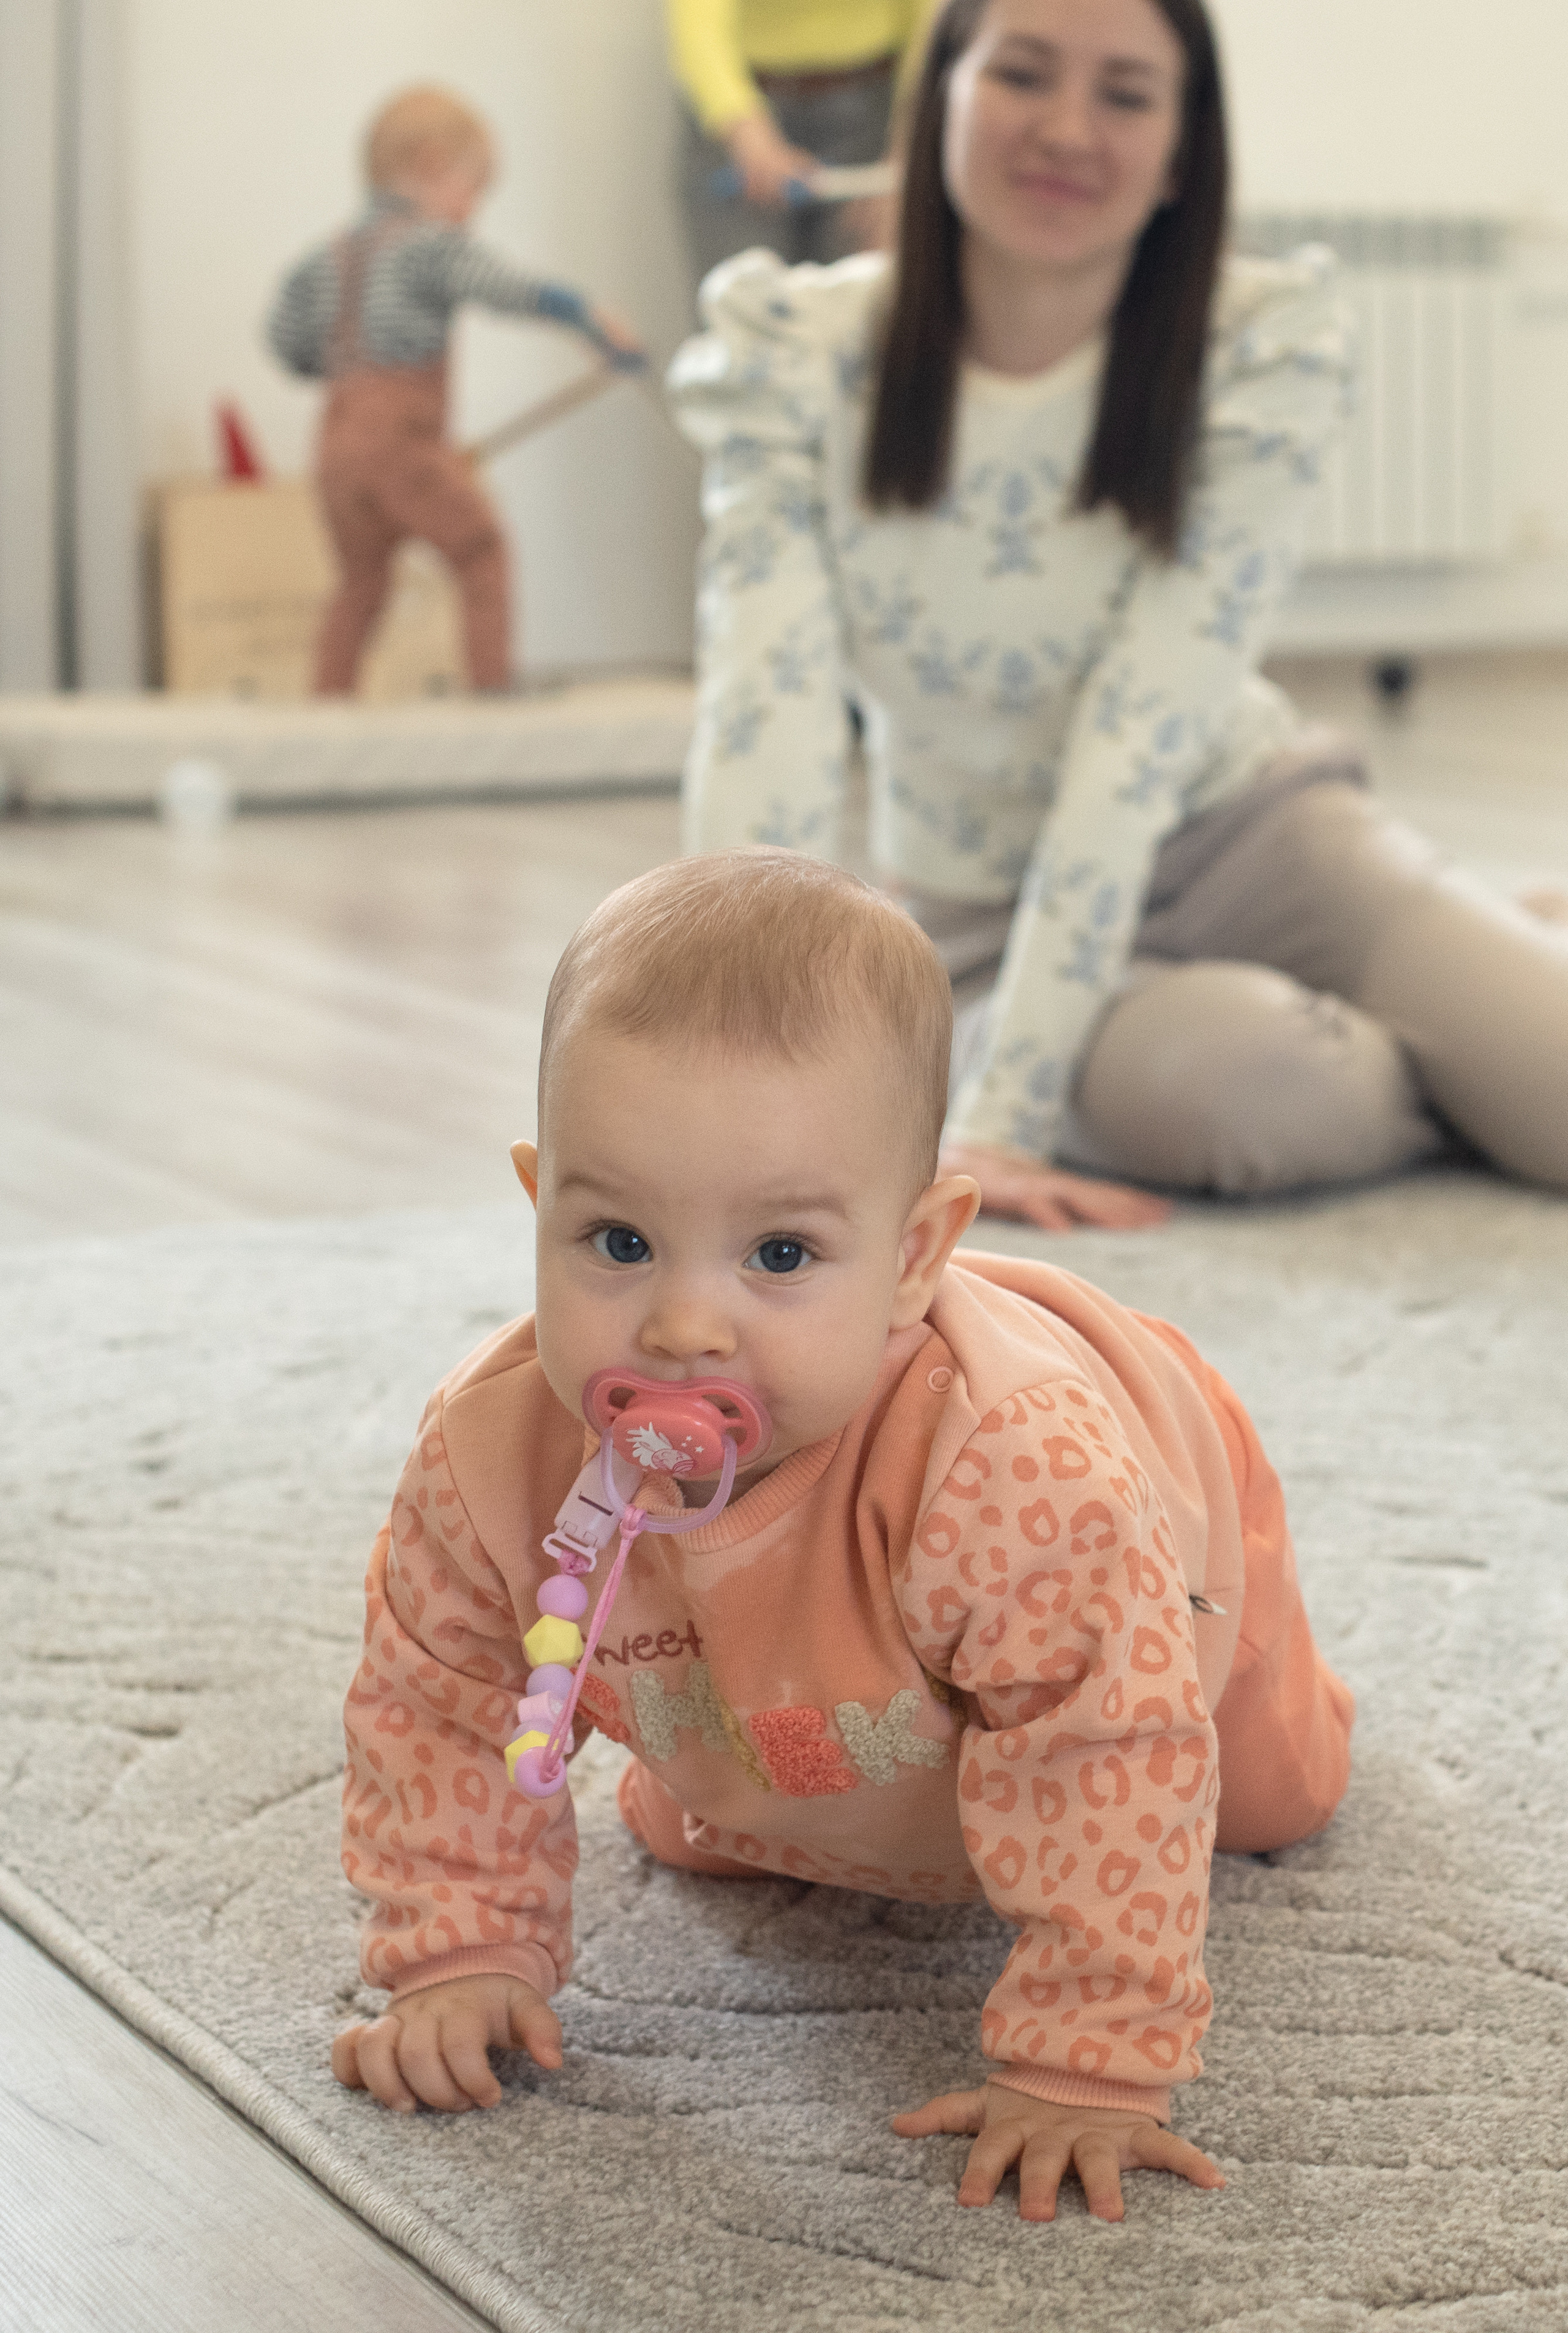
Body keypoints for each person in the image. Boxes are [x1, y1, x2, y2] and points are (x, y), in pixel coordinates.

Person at [331, 849, 1353, 2223]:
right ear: (540, 1202)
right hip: (816, 1696)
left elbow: (1104, 1745)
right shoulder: (489, 1455)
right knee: (710, 1823)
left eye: (779, 1256)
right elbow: (435, 1707)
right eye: (619, 1242)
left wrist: (1086, 2064)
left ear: (915, 1253)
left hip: (1156, 1558)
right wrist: (456, 1953)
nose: (684, 1327)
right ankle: (765, 1758)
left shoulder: (1010, 1474)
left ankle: (1280, 1714)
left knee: (1261, 1800)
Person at [668, 0, 1568, 1232]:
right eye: (1022, 74)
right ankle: (1444, 1004)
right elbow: (760, 719)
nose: (1067, 129)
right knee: (1250, 1096)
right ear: (939, 97)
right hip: (975, 913)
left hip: (1252, 838)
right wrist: (737, 1062)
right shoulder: (791, 355)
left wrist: (1000, 1113)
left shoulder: (1256, 349)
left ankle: (1465, 969)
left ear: (1177, 153)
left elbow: (1138, 740)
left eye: (1124, 94)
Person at [268, 87, 645, 695]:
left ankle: (327, 706)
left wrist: (345, 364)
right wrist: (584, 315)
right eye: (474, 191)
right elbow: (500, 286)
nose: (473, 214)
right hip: (401, 444)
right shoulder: (429, 246)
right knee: (480, 550)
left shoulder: (325, 258)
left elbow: (286, 343)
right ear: (431, 164)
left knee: (360, 585)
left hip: (334, 448)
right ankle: (491, 690)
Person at [668, 0, 943, 284]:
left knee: (868, 311)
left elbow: (937, 18)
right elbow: (699, 28)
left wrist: (910, 161)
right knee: (741, 308)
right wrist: (748, 135)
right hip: (739, 122)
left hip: (880, 121)